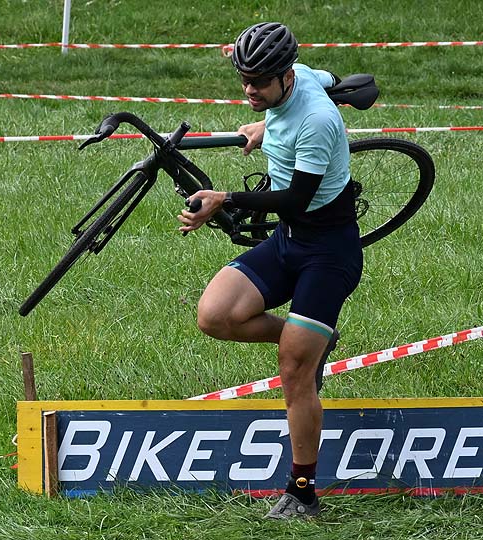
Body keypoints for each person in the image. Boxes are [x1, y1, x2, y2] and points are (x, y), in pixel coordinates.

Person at [177, 22, 363, 520]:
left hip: (328, 252)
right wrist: (266, 125)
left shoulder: (319, 122)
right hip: (288, 242)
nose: (249, 90)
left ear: (284, 76)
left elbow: (296, 199)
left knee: (294, 371)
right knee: (214, 315)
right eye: (244, 79)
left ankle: (302, 492)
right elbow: (328, 79)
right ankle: (313, 339)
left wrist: (224, 199)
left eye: (259, 81)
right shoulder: (301, 76)